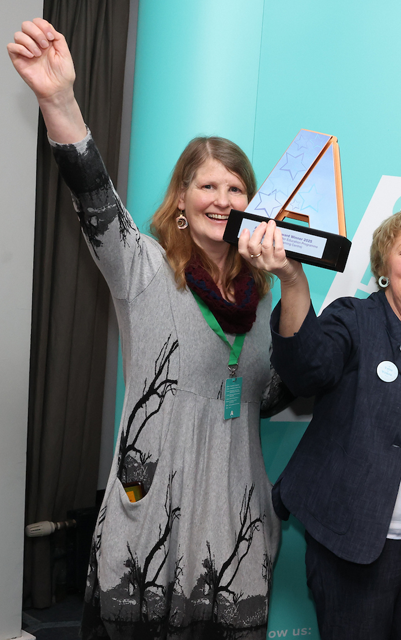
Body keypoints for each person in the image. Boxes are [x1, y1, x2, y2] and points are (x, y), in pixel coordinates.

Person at [9, 18, 282, 638]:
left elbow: (277, 392)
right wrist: (59, 99)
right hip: (151, 508)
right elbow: (94, 195)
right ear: (180, 201)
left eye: (236, 187)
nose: (222, 198)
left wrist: (292, 284)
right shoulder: (143, 267)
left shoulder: (263, 295)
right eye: (207, 185)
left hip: (234, 520)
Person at [251, 206, 401, 640]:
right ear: (385, 266)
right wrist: (293, 279)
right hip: (358, 541)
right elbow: (307, 369)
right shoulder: (354, 319)